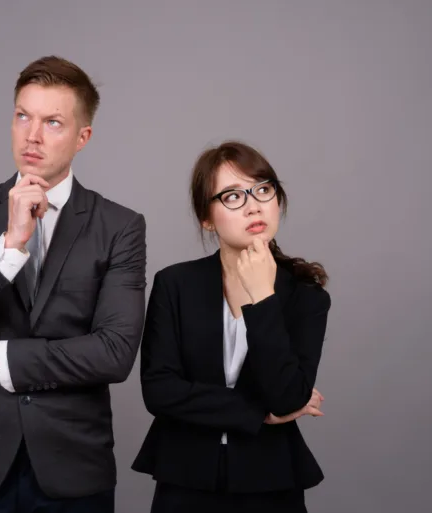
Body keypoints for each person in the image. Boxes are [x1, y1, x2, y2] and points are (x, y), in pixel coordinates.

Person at [0, 55, 147, 513]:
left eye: (53, 122)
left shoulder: (120, 226)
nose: (32, 136)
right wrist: (10, 246)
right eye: (23, 116)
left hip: (74, 471)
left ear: (83, 137)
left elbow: (115, 354)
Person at [131, 141, 331, 512]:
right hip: (185, 477)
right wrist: (258, 413)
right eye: (232, 196)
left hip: (271, 481)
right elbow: (160, 391)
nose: (254, 205)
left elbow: (287, 397)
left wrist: (262, 299)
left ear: (278, 200)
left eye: (263, 190)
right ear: (207, 218)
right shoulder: (176, 284)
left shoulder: (307, 297)